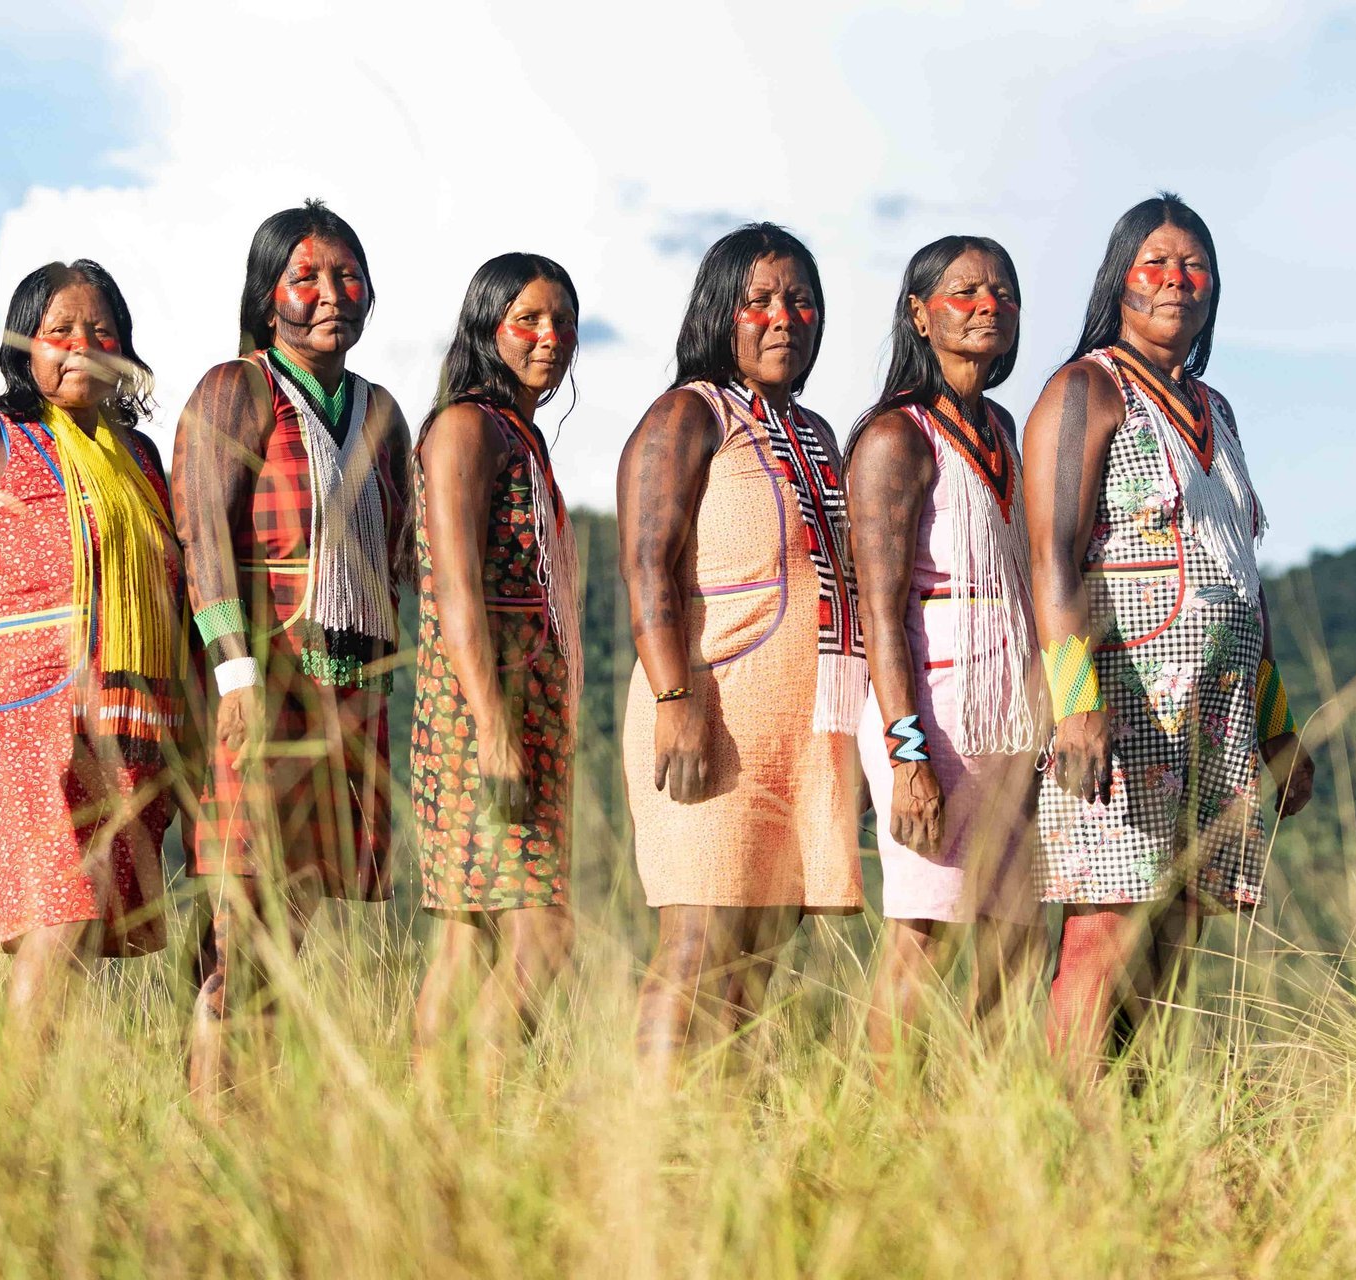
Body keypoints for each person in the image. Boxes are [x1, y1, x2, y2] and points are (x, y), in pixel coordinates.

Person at [1021, 193, 1317, 1074]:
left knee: (1176, 927)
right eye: (1156, 263)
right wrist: (1074, 703)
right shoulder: (1086, 388)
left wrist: (1278, 725)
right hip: (1121, 701)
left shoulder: (1217, 409)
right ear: (1120, 279)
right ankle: (1066, 1124)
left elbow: (1241, 579)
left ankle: (1139, 1123)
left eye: (1194, 266)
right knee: (1105, 925)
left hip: (1218, 711)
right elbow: (1053, 554)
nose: (1176, 280)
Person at [0, 259, 184, 1045]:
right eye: (60, 331)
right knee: (59, 917)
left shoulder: (141, 459)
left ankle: (42, 1109)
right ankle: (11, 1111)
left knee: (82, 932)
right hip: (24, 726)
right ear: (25, 346)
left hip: (127, 726)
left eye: (101, 331)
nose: (82, 345)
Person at [170, 201, 411, 1099]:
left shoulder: (380, 412)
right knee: (242, 926)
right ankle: (216, 1126)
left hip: (345, 687)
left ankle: (252, 1122)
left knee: (291, 923)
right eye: (305, 277)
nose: (330, 294)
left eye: (347, 276)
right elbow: (202, 532)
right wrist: (234, 672)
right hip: (256, 683)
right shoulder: (237, 388)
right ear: (266, 295)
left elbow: (399, 555)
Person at [617, 223, 865, 1081]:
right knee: (696, 943)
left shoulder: (818, 432)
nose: (782, 316)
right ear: (720, 312)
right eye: (758, 300)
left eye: (800, 300)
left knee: (758, 955)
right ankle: (652, 1141)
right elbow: (646, 562)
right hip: (710, 716)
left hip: (805, 733)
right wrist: (674, 701)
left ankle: (724, 1141)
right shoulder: (690, 413)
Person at [846, 236, 1043, 1059]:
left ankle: (982, 1114)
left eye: (1002, 291)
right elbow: (880, 611)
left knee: (1017, 936)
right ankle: (886, 1121)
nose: (987, 304)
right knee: (923, 935)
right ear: (920, 315)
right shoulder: (896, 436)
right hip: (935, 713)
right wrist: (908, 757)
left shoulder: (1003, 428)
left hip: (1010, 716)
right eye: (964, 291)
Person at [409, 253, 583, 1066]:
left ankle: (434, 1120)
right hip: (480, 711)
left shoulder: (519, 433)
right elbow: (454, 587)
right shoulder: (466, 427)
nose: (551, 337)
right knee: (541, 934)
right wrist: (492, 729)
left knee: (468, 935)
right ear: (488, 328)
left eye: (563, 322)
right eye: (529, 320)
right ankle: (479, 1102)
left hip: (526, 709)